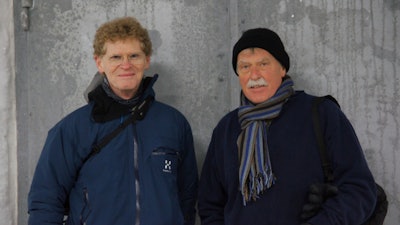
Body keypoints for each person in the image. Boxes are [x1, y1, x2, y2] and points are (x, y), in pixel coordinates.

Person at [28, 16, 198, 225]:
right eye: (116, 57)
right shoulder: (73, 128)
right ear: (100, 63)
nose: (125, 65)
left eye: (134, 56)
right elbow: (45, 201)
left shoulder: (174, 123)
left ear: (147, 60)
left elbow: (187, 198)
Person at [197, 28, 377, 225]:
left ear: (282, 68)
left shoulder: (321, 114)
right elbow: (210, 205)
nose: (254, 75)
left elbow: (359, 190)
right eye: (245, 67)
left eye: (263, 64)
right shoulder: (226, 129)